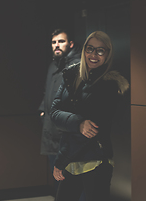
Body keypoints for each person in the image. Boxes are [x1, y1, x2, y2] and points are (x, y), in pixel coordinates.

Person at [50, 31, 129, 201]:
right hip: (72, 160)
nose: (93, 55)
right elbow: (54, 112)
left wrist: (60, 160)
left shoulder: (109, 85)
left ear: (108, 54)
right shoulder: (70, 75)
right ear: (84, 49)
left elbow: (90, 133)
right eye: (90, 49)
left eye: (100, 50)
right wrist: (78, 123)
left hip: (95, 160)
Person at [38, 28, 81, 195]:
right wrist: (43, 111)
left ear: (70, 44)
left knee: (73, 182)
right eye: (54, 42)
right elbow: (46, 92)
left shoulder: (76, 66)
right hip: (50, 131)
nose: (57, 45)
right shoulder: (52, 66)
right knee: (58, 181)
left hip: (67, 135)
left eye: (61, 41)